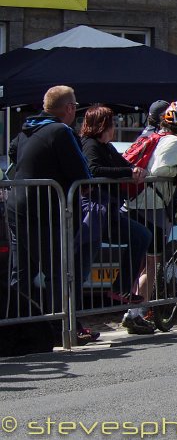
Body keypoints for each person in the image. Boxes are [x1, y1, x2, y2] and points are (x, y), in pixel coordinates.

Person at [4, 86, 95, 348]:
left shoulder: (25, 129)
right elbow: (83, 175)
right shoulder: (60, 131)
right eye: (75, 107)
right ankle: (61, 327)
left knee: (21, 273)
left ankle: (18, 327)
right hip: (46, 210)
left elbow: (13, 155)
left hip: (19, 205)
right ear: (68, 108)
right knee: (58, 271)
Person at [123, 101, 177, 334]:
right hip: (152, 205)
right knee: (151, 264)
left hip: (137, 202)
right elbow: (162, 171)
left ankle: (133, 310)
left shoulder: (157, 136)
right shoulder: (175, 141)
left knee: (144, 262)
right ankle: (136, 313)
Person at [79, 105, 152, 308]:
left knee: (141, 235)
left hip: (108, 212)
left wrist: (134, 170)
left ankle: (121, 288)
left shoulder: (107, 147)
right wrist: (128, 173)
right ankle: (70, 320)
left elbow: (124, 165)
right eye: (112, 124)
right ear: (103, 125)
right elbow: (94, 170)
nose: (114, 128)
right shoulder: (90, 144)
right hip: (93, 213)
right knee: (81, 267)